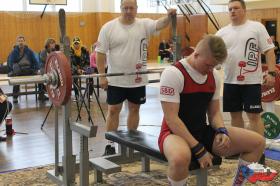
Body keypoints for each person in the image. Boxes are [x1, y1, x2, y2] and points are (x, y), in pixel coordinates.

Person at [158, 34, 265, 186]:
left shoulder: (214, 76)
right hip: (173, 133)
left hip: (201, 130)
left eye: (214, 66)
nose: (210, 70)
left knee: (257, 142)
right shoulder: (173, 73)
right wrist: (198, 149)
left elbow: (214, 112)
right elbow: (172, 119)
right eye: (208, 65)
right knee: (180, 158)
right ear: (196, 54)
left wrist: (222, 130)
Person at [96, 0, 176, 155]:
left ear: (136, 9)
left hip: (137, 79)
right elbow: (100, 53)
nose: (128, 11)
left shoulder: (144, 24)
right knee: (113, 110)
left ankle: (132, 142)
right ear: (120, 8)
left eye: (131, 8)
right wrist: (101, 76)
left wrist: (169, 16)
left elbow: (160, 24)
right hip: (116, 79)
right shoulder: (108, 27)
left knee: (134, 109)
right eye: (125, 8)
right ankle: (110, 144)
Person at [216, 0, 276, 163]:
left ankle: (258, 151)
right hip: (229, 81)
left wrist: (271, 73)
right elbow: (213, 53)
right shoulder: (221, 32)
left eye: (236, 8)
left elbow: (269, 51)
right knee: (235, 116)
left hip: (251, 81)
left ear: (244, 10)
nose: (232, 11)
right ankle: (238, 147)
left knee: (254, 116)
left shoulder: (256, 27)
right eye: (230, 9)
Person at [7, 35, 39, 104]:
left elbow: (35, 61)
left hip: (28, 70)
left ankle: (41, 94)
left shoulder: (29, 51)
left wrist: (36, 69)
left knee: (41, 76)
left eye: (22, 41)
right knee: (16, 79)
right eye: (19, 41)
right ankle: (15, 97)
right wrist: (15, 68)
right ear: (17, 42)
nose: (21, 42)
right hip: (19, 71)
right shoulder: (13, 52)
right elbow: (10, 63)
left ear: (24, 42)